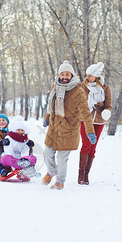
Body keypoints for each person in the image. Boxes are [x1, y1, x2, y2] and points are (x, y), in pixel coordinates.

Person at [42, 60, 97, 190]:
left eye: (67, 74)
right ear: (59, 75)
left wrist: (90, 131)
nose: (64, 77)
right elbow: (51, 105)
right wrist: (47, 118)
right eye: (62, 74)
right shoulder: (55, 86)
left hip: (68, 130)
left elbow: (86, 113)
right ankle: (51, 172)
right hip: (54, 128)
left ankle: (60, 182)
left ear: (71, 75)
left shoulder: (78, 91)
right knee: (47, 153)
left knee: (62, 159)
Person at [78, 62, 112, 185]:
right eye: (87, 75)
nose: (88, 77)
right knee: (86, 144)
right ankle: (80, 174)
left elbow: (109, 105)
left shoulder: (105, 88)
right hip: (85, 119)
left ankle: (86, 174)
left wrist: (106, 112)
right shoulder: (82, 86)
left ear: (96, 76)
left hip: (98, 121)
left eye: (90, 76)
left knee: (93, 147)